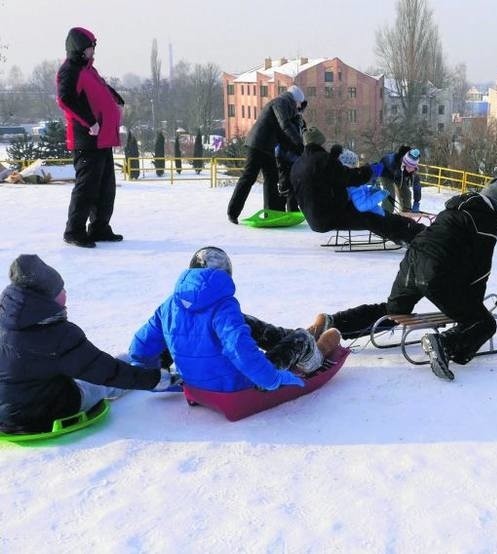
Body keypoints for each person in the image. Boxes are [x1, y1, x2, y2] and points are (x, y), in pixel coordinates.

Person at [307, 179, 497, 381]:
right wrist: (473, 308)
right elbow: (480, 269)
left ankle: (336, 323)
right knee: (484, 323)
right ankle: (444, 344)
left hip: (412, 260)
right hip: (436, 271)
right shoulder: (485, 221)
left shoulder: (457, 207)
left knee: (394, 311)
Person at [0, 255, 176, 434]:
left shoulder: (4, 323)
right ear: (46, 299)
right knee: (101, 384)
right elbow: (107, 373)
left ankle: (135, 360)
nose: (66, 293)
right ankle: (145, 365)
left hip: (4, 414)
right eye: (61, 290)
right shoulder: (60, 335)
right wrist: (155, 380)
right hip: (45, 414)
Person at [129, 247, 341, 394]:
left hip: (193, 382)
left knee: (242, 322)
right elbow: (239, 349)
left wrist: (155, 376)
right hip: (238, 385)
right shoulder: (224, 306)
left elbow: (141, 346)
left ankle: (288, 337)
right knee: (301, 338)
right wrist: (272, 379)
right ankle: (311, 350)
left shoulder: (170, 304)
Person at [290, 128, 425, 245]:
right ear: (319, 142)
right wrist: (369, 170)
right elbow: (350, 177)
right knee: (371, 217)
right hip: (329, 216)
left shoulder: (297, 165)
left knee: (370, 212)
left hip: (315, 218)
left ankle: (413, 231)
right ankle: (415, 236)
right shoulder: (324, 160)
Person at [57, 27, 125, 248]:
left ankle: (99, 227)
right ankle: (74, 231)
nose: (92, 51)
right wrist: (90, 121)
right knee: (86, 188)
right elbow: (66, 99)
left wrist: (116, 100)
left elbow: (101, 89)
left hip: (102, 138)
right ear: (78, 48)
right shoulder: (70, 70)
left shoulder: (88, 69)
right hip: (87, 138)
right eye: (89, 48)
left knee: (106, 187)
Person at [227, 86, 306, 222]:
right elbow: (285, 125)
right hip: (257, 144)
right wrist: (300, 144)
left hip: (267, 146)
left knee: (272, 179)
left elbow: (283, 132)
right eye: (298, 104)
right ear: (294, 100)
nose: (297, 107)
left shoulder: (285, 105)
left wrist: (296, 146)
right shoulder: (280, 103)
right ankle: (233, 212)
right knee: (249, 177)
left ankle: (273, 213)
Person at [276, 100, 308, 212]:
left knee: (294, 183)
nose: (300, 112)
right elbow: (286, 137)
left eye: (302, 110)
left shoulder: (300, 121)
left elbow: (304, 135)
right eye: (299, 110)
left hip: (295, 157)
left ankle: (292, 209)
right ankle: (280, 209)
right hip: (284, 155)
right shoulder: (287, 120)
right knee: (285, 184)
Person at [377, 145, 412, 213]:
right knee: (390, 194)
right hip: (385, 173)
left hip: (397, 175)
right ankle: (386, 214)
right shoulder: (392, 160)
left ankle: (406, 213)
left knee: (407, 193)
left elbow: (408, 182)